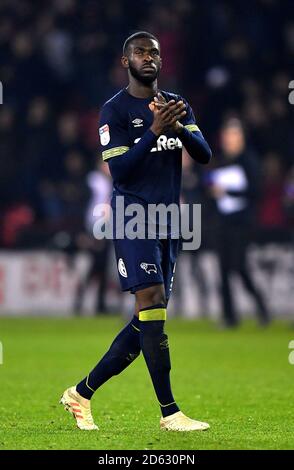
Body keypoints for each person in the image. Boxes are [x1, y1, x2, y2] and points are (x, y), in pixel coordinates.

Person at [60, 31, 212, 432]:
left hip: (170, 220)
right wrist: (152, 130)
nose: (149, 58)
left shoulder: (176, 105)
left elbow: (205, 154)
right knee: (152, 305)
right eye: (140, 52)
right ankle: (170, 412)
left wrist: (177, 126)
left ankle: (81, 393)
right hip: (132, 217)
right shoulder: (114, 110)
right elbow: (121, 171)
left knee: (150, 319)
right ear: (125, 61)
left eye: (155, 53)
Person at [208, 117, 271, 328]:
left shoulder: (249, 160)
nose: (229, 139)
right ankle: (230, 317)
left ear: (241, 137)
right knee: (223, 270)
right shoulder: (221, 160)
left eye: (233, 135)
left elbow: (256, 191)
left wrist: (229, 192)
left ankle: (261, 307)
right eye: (227, 135)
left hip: (242, 223)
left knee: (239, 267)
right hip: (223, 222)